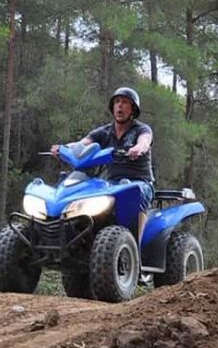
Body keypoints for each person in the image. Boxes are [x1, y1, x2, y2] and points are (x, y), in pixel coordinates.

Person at [50, 86, 154, 242]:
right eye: (117, 102)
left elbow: (145, 141)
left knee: (135, 192)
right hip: (111, 184)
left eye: (125, 102)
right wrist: (63, 148)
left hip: (140, 182)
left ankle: (134, 249)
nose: (120, 105)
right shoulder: (104, 132)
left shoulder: (141, 129)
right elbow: (81, 144)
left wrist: (139, 148)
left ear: (133, 109)